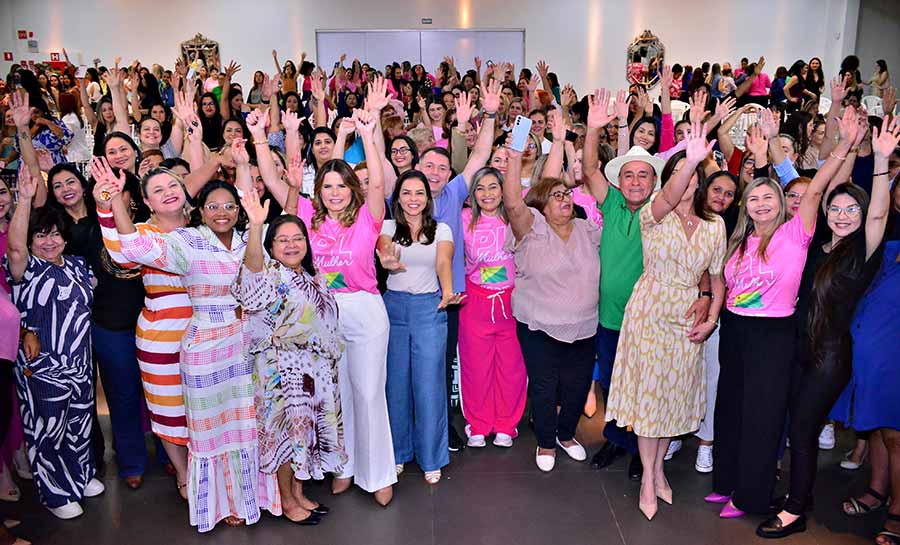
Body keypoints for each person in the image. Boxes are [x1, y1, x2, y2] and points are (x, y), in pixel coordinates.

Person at [105, 142, 280, 531]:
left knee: (247, 424)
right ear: (200, 211)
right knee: (208, 430)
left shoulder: (247, 237)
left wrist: (248, 189)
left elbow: (257, 279)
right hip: (202, 345)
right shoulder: (186, 241)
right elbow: (130, 246)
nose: (222, 212)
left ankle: (248, 497)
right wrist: (116, 200)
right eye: (214, 206)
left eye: (229, 206)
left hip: (245, 344)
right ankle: (215, 502)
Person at [708, 106, 859, 519]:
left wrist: (844, 145)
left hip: (772, 335)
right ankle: (726, 482)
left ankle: (750, 496)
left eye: (768, 198)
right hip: (735, 330)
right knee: (731, 407)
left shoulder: (796, 234)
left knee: (761, 416)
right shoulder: (739, 239)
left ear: (781, 205)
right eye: (753, 198)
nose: (759, 203)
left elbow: (812, 190)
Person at [271, 107, 397, 505]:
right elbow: (281, 191)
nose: (336, 191)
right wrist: (270, 141)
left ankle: (377, 474)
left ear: (351, 189)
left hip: (366, 313)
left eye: (342, 185)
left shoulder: (367, 218)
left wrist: (370, 131)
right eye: (328, 186)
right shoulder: (309, 218)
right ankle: (344, 467)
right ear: (319, 191)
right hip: (323, 318)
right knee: (336, 395)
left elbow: (378, 184)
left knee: (368, 392)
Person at [605, 130, 726, 521]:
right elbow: (671, 197)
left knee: (672, 397)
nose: (687, 181)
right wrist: (690, 157)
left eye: (693, 175)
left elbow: (717, 277)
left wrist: (710, 318)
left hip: (687, 316)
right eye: (679, 173)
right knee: (650, 399)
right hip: (650, 310)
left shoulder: (714, 227)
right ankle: (648, 479)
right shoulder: (652, 214)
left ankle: (657, 470)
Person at [234, 192, 346, 525]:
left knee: (304, 437)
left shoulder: (314, 277)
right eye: (282, 240)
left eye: (298, 238)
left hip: (313, 373)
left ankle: (298, 493)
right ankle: (286, 500)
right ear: (270, 246)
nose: (291, 244)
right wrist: (256, 225)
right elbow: (250, 274)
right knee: (284, 437)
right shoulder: (269, 274)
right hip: (280, 374)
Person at [499, 122, 600, 472]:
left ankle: (566, 434)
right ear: (541, 204)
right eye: (555, 195)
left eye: (566, 194)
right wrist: (514, 156)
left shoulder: (588, 229)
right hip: (539, 325)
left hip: (586, 326)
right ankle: (545, 441)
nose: (564, 199)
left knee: (577, 386)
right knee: (544, 386)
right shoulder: (532, 229)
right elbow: (512, 201)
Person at [5, 171, 105, 520]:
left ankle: (81, 475)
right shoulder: (26, 268)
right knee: (47, 428)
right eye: (41, 235)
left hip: (79, 362)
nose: (49, 241)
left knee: (79, 422)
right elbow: (15, 246)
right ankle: (55, 491)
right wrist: (24, 201)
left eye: (55, 235)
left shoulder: (78, 265)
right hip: (42, 367)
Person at [95, 166, 192, 499]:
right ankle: (183, 474)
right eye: (158, 189)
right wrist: (109, 205)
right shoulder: (143, 233)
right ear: (148, 202)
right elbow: (121, 256)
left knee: (204, 408)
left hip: (207, 335)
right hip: (160, 336)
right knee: (167, 409)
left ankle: (205, 471)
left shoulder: (205, 229)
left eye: (173, 185)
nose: (168, 192)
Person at [377, 170, 459, 484]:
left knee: (429, 386)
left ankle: (432, 457)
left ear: (428, 198)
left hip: (430, 308)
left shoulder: (442, 229)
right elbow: (385, 251)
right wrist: (388, 261)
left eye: (419, 193)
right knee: (395, 385)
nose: (413, 199)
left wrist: (448, 291)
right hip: (393, 308)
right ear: (398, 197)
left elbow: (443, 262)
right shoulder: (387, 227)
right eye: (407, 192)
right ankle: (398, 453)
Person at [457, 166, 527, 449]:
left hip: (512, 302)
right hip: (475, 301)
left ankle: (506, 425)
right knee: (476, 367)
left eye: (493, 187)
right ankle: (478, 424)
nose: (487, 194)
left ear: (503, 189)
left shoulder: (516, 219)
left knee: (511, 368)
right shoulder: (463, 219)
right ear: (472, 194)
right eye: (480, 188)